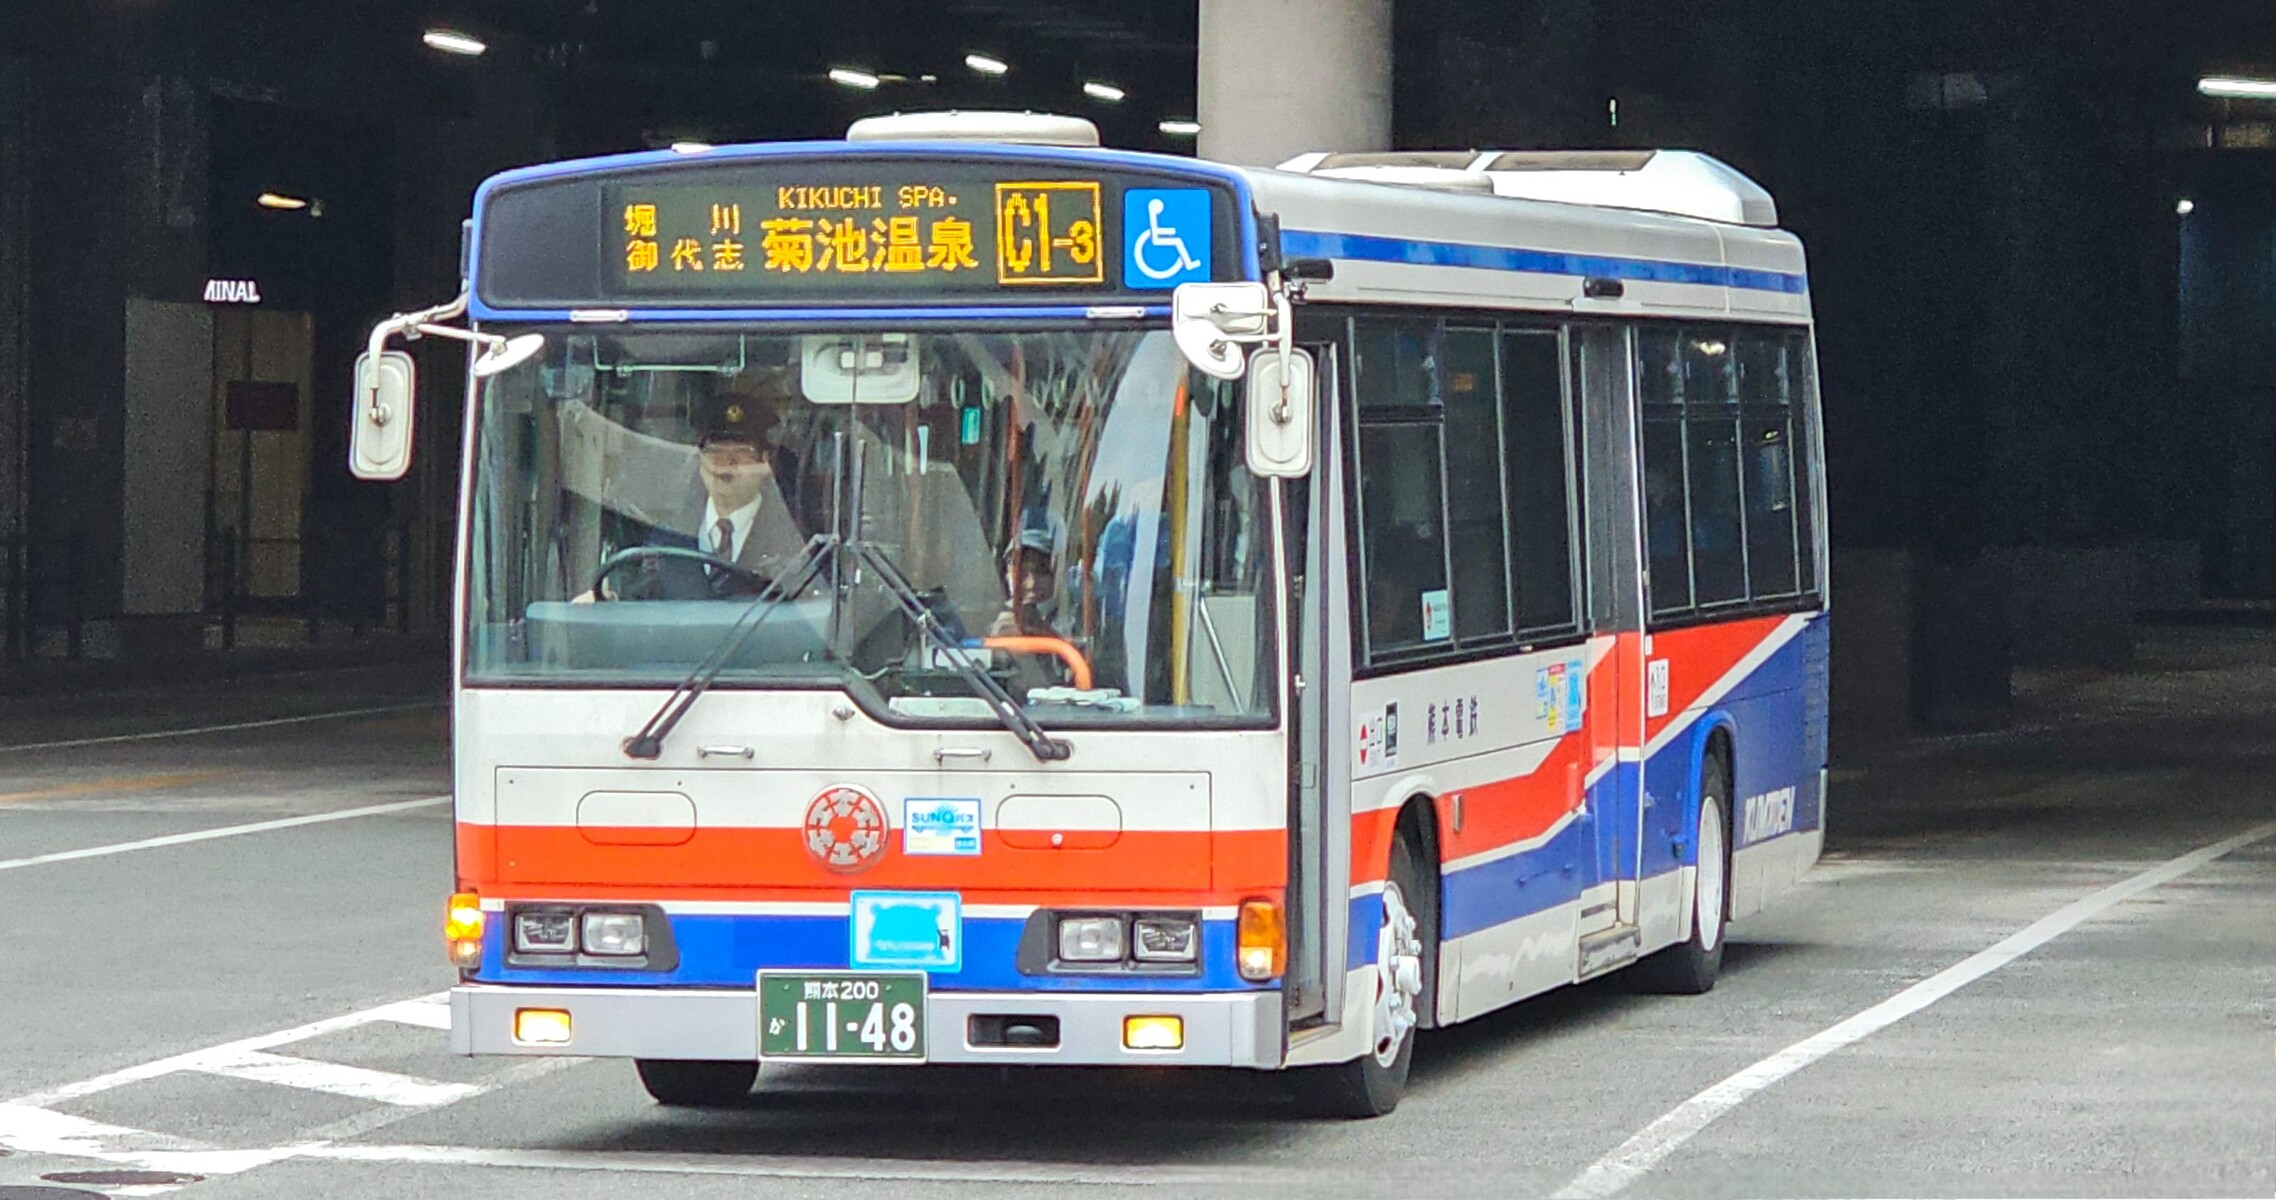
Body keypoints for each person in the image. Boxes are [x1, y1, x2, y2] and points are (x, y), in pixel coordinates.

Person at [582, 394, 806, 601]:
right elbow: (642, 600)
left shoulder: (796, 541)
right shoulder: (666, 536)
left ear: (766, 463)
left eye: (742, 452)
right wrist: (611, 602)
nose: (725, 464)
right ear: (699, 459)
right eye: (714, 451)